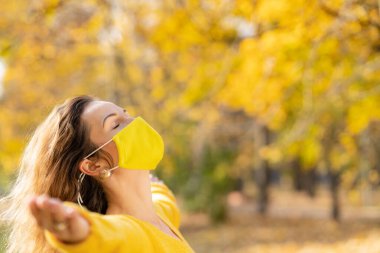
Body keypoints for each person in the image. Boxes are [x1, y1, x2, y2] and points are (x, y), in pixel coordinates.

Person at [0, 95, 195, 253]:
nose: (134, 122)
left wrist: (155, 184)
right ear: (94, 166)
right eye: (116, 124)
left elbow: (165, 200)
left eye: (125, 114)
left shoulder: (159, 213)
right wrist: (80, 231)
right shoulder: (124, 231)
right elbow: (105, 236)